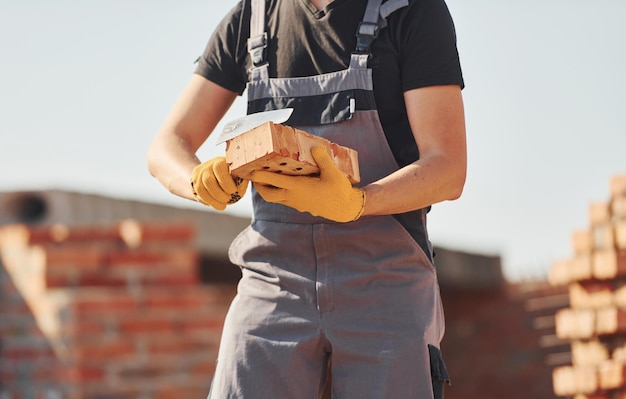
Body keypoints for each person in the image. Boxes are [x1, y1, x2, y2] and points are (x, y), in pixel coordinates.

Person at [147, 0, 466, 397]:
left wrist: (359, 202)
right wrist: (197, 181)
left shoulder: (411, 11)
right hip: (274, 279)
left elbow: (447, 168)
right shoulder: (252, 20)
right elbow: (165, 148)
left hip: (384, 279)